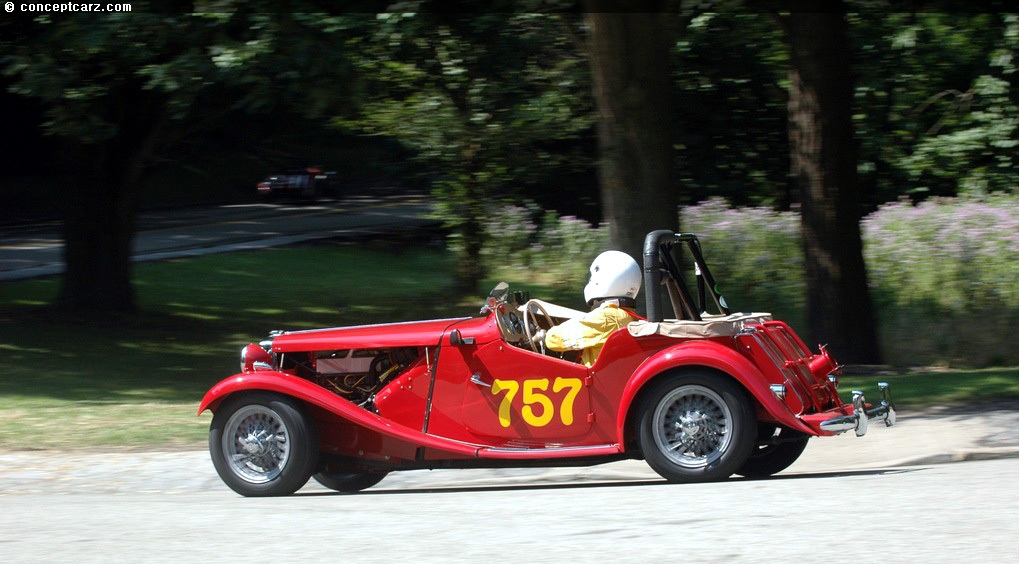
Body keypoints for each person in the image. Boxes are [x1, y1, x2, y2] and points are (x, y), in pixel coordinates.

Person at [543, 250, 642, 367]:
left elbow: (553, 340)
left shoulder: (605, 319)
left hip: (598, 383)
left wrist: (543, 334)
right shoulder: (627, 316)